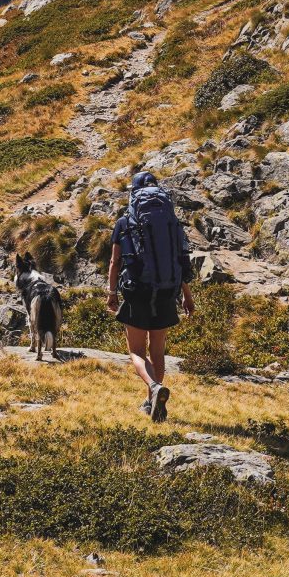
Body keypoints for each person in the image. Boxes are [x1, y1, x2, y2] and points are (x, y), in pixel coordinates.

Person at [107, 167, 195, 422]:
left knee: (136, 351)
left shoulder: (124, 222)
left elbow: (115, 263)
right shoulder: (172, 223)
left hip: (138, 291)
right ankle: (150, 402)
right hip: (168, 290)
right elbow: (181, 260)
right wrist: (187, 296)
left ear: (134, 194)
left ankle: (154, 389)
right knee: (158, 351)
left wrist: (112, 293)